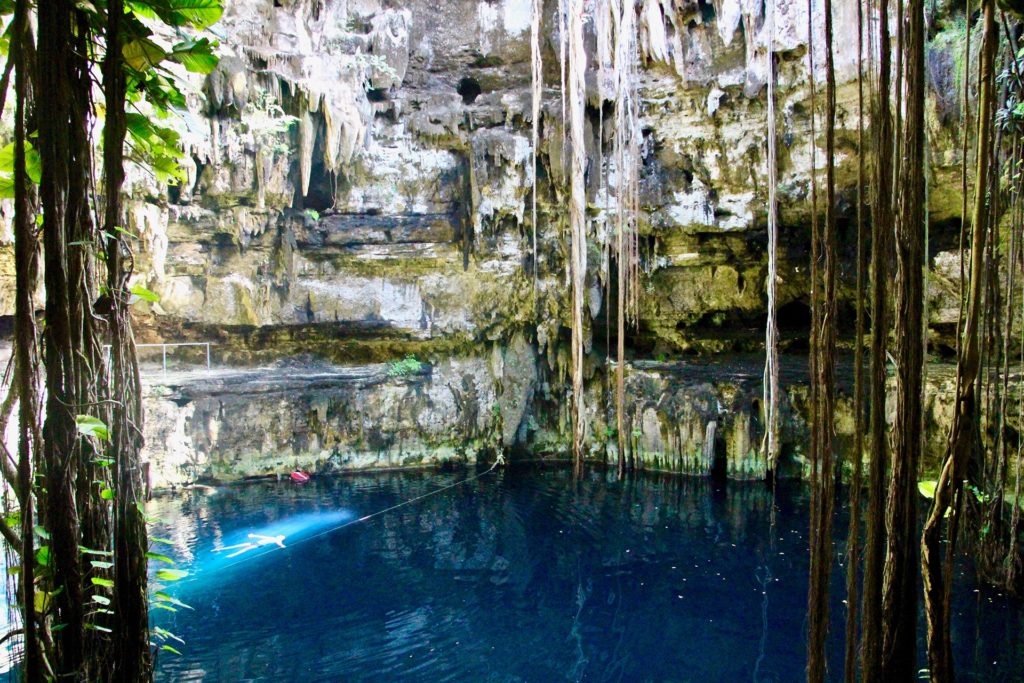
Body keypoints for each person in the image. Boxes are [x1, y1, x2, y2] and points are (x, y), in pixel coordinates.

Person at [215, 533, 286, 558]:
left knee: (246, 549)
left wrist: (282, 546)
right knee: (239, 545)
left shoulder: (278, 540)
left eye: (281, 536)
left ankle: (233, 555)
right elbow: (263, 537)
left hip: (259, 544)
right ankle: (221, 549)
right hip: (257, 542)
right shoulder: (273, 538)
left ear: (281, 538)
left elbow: (279, 544)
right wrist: (253, 535)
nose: (279, 536)